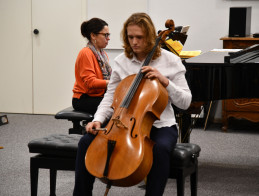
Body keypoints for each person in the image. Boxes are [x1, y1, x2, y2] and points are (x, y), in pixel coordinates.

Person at [73, 13, 192, 196]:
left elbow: (185, 102)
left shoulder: (171, 61)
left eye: (139, 37)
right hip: (123, 122)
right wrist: (97, 119)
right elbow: (109, 97)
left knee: (159, 150)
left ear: (151, 37)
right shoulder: (122, 61)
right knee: (86, 142)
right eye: (130, 37)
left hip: (161, 124)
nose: (134, 42)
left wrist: (165, 82)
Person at [72, 18, 112, 114]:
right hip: (84, 99)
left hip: (97, 96)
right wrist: (111, 82)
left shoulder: (102, 54)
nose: (108, 38)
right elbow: (90, 83)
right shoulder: (85, 53)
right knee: (116, 107)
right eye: (105, 35)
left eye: (108, 35)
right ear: (93, 35)